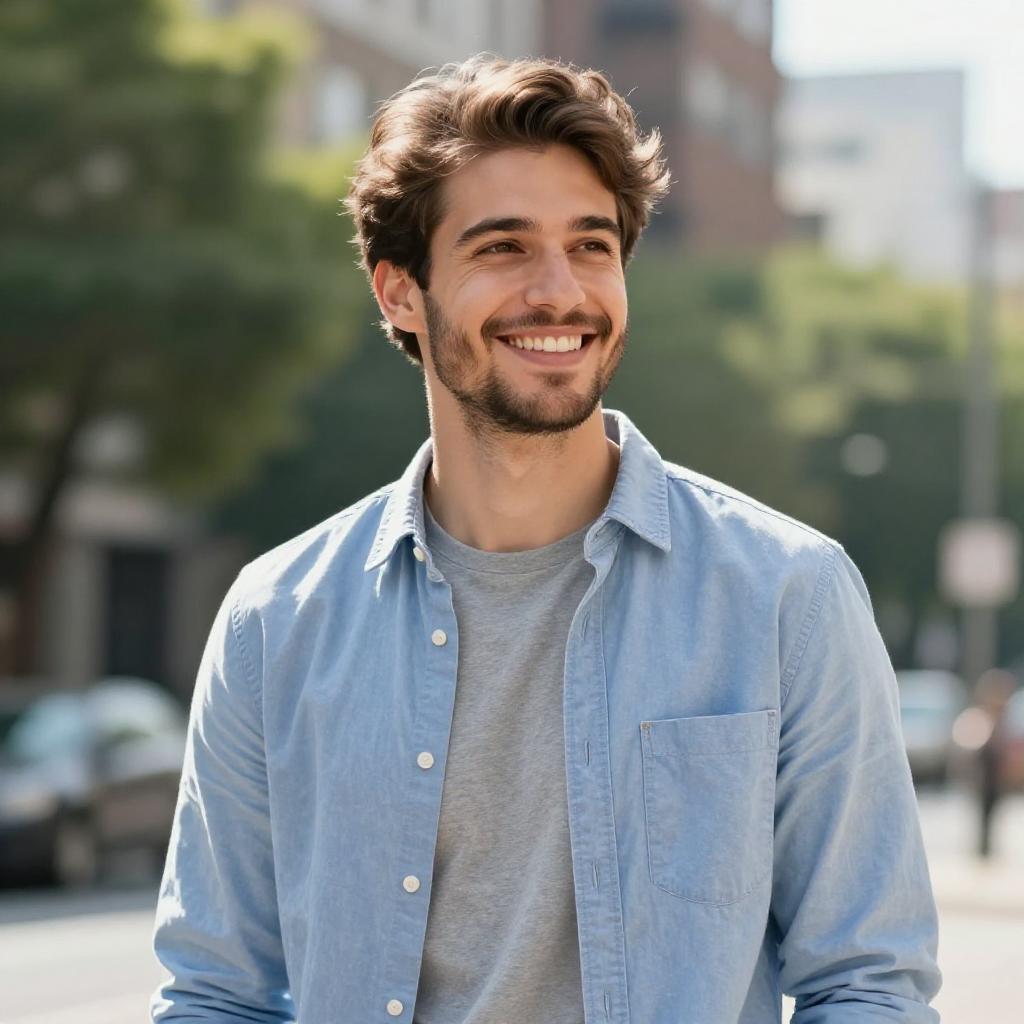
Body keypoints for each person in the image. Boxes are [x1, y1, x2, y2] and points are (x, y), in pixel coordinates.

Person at [151, 55, 942, 1023]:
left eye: (591, 245)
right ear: (400, 291)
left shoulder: (788, 595)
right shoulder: (274, 621)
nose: (560, 292)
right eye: (503, 248)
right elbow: (215, 991)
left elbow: (867, 982)